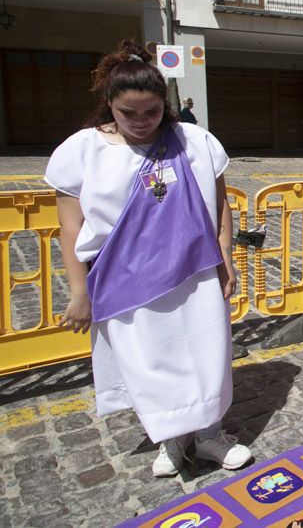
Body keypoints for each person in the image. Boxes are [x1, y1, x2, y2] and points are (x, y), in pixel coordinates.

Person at [45, 40, 252, 477]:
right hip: (124, 278)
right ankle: (170, 439)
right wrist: (79, 291)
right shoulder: (82, 150)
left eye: (152, 112)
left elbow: (219, 206)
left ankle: (210, 434)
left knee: (206, 352)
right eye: (128, 113)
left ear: (166, 105)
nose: (141, 122)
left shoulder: (193, 141)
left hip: (193, 270)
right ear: (110, 106)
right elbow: (69, 227)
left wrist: (226, 259)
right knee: (150, 361)